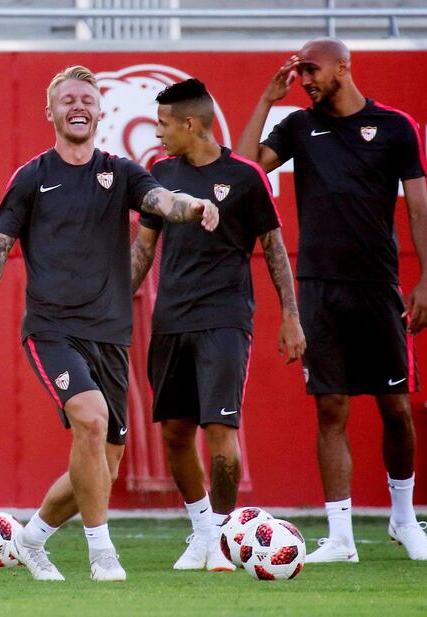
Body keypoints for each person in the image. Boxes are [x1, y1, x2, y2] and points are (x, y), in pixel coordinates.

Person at [0, 65, 219, 582]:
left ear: (101, 111)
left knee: (105, 460)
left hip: (110, 334)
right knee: (90, 416)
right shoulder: (32, 176)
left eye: (87, 99)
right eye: (68, 100)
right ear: (51, 113)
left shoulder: (121, 172)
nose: (78, 107)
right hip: (52, 329)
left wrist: (191, 206)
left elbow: (160, 200)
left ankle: (31, 539)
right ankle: (103, 555)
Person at [236, 38, 427, 562]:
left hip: (378, 286)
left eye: (312, 69)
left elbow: (419, 209)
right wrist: (266, 99)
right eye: (299, 70)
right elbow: (245, 167)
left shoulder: (395, 127)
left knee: (395, 407)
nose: (304, 78)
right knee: (331, 408)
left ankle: (404, 520)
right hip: (319, 287)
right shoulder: (299, 127)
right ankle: (342, 539)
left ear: (343, 68)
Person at [130, 78, 305, 572]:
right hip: (170, 321)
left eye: (163, 124)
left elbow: (273, 249)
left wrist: (291, 316)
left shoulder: (247, 177)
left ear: (191, 123)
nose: (158, 133)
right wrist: (115, 300)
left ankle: (228, 541)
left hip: (225, 320)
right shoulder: (160, 173)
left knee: (220, 430)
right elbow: (144, 248)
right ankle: (204, 533)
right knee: (175, 435)